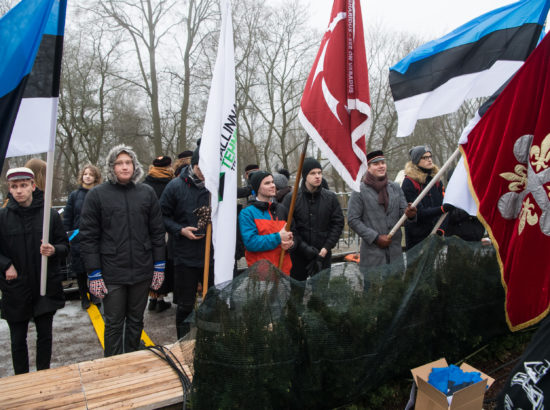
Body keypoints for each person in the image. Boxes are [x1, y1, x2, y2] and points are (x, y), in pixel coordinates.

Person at [79, 145, 166, 357]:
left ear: (135, 166)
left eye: (128, 162)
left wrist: (159, 266)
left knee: (136, 320)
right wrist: (94, 272)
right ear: (111, 167)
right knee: (114, 323)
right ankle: (114, 364)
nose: (125, 167)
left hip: (141, 269)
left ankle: (133, 359)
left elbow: (157, 232)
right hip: (111, 271)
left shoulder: (146, 193)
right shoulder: (97, 195)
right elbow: (88, 237)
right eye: (119, 163)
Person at [0, 167, 69, 374]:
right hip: (16, 287)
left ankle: (44, 375)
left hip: (44, 284)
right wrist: (6, 265)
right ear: (9, 189)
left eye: (23, 185)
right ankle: (22, 378)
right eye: (14, 186)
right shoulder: (2, 217)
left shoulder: (49, 216)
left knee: (45, 335)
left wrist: (54, 250)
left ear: (33, 186)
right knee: (18, 338)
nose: (19, 190)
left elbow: (66, 247)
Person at [160, 143, 213, 338]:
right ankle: (183, 341)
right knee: (185, 304)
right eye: (201, 169)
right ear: (193, 165)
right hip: (185, 256)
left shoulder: (215, 185)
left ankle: (210, 341)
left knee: (213, 302)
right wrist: (180, 230)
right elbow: (162, 216)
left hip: (211, 255)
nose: (204, 174)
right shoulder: (175, 186)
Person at [347, 150, 417, 267]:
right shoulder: (359, 191)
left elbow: (403, 213)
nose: (381, 166)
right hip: (372, 257)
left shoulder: (395, 188)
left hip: (395, 256)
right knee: (373, 285)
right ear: (368, 168)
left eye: (383, 163)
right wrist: (375, 238)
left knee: (395, 285)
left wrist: (411, 215)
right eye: (376, 164)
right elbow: (353, 220)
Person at [282, 158, 344, 280]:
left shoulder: (330, 198)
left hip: (323, 254)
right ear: (305, 175)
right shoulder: (292, 198)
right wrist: (303, 247)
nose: (317, 176)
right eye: (313, 173)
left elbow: (337, 224)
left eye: (319, 173)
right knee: (296, 293)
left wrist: (326, 248)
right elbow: (288, 226)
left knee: (320, 294)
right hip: (298, 255)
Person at [239, 171, 295, 275]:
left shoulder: (282, 209)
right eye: (267, 183)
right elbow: (251, 242)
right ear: (257, 188)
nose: (273, 185)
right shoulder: (247, 213)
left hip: (284, 272)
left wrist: (291, 244)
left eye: (273, 182)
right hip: (261, 275)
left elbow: (294, 233)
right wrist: (278, 237)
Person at [63, 164, 102, 310]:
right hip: (77, 237)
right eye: (85, 174)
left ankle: (94, 294)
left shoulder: (99, 194)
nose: (87, 176)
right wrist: (68, 236)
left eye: (91, 174)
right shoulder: (74, 195)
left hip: (95, 236)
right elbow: (68, 217)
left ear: (95, 178)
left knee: (94, 266)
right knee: (79, 270)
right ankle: (83, 296)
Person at [143, 155, 175, 313]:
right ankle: (161, 298)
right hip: (166, 230)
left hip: (148, 231)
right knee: (164, 263)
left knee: (152, 262)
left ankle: (152, 298)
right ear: (169, 166)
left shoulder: (145, 183)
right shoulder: (171, 183)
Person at [402, 145, 449, 249]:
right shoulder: (409, 182)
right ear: (417, 160)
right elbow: (419, 212)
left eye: (430, 156)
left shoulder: (436, 181)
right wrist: (441, 209)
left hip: (436, 234)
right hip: (417, 238)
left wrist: (441, 229)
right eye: (425, 157)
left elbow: (445, 208)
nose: (429, 160)